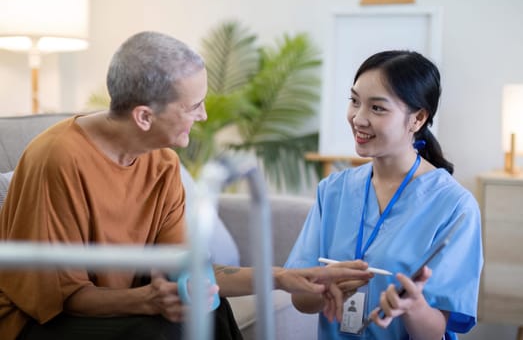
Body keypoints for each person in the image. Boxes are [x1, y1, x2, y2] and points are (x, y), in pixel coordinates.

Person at [0, 31, 371, 340]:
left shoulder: (162, 163)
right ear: (144, 116)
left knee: (211, 312)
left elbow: (192, 272)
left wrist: (284, 277)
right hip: (39, 321)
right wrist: (148, 300)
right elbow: (67, 297)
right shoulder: (57, 158)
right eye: (193, 105)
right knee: (165, 331)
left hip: (115, 303)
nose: (204, 115)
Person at [285, 50, 483, 340]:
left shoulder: (455, 207)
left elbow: (434, 332)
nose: (358, 119)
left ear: (417, 118)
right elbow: (300, 300)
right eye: (354, 101)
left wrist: (413, 307)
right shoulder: (333, 191)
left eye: (377, 108)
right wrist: (324, 289)